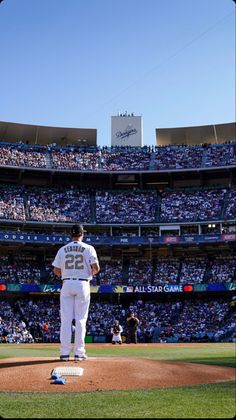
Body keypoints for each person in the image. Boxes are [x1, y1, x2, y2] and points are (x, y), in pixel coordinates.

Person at [52, 224, 100, 361]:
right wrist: (88, 272)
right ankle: (79, 353)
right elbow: (96, 268)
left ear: (71, 235)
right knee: (80, 320)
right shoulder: (89, 248)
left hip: (66, 283)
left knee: (65, 320)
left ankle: (64, 353)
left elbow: (55, 270)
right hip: (82, 283)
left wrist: (67, 272)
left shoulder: (63, 249)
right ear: (82, 234)